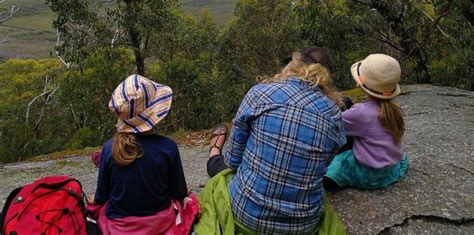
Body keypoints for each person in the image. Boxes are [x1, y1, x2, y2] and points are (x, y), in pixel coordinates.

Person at [196, 46, 346, 234]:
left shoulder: (261, 93)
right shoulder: (334, 113)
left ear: (293, 64)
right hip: (303, 225)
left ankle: (214, 150)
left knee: (221, 175)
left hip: (246, 216)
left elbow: (233, 160)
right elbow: (323, 165)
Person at [88, 74, 199, 235]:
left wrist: (94, 200)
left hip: (118, 228)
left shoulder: (108, 149)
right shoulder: (168, 147)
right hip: (159, 224)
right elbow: (178, 192)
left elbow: (102, 196)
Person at [324, 54, 409, 189]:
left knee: (339, 162)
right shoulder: (394, 110)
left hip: (368, 174)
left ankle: (331, 179)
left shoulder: (360, 113)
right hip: (389, 170)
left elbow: (331, 125)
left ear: (361, 83)